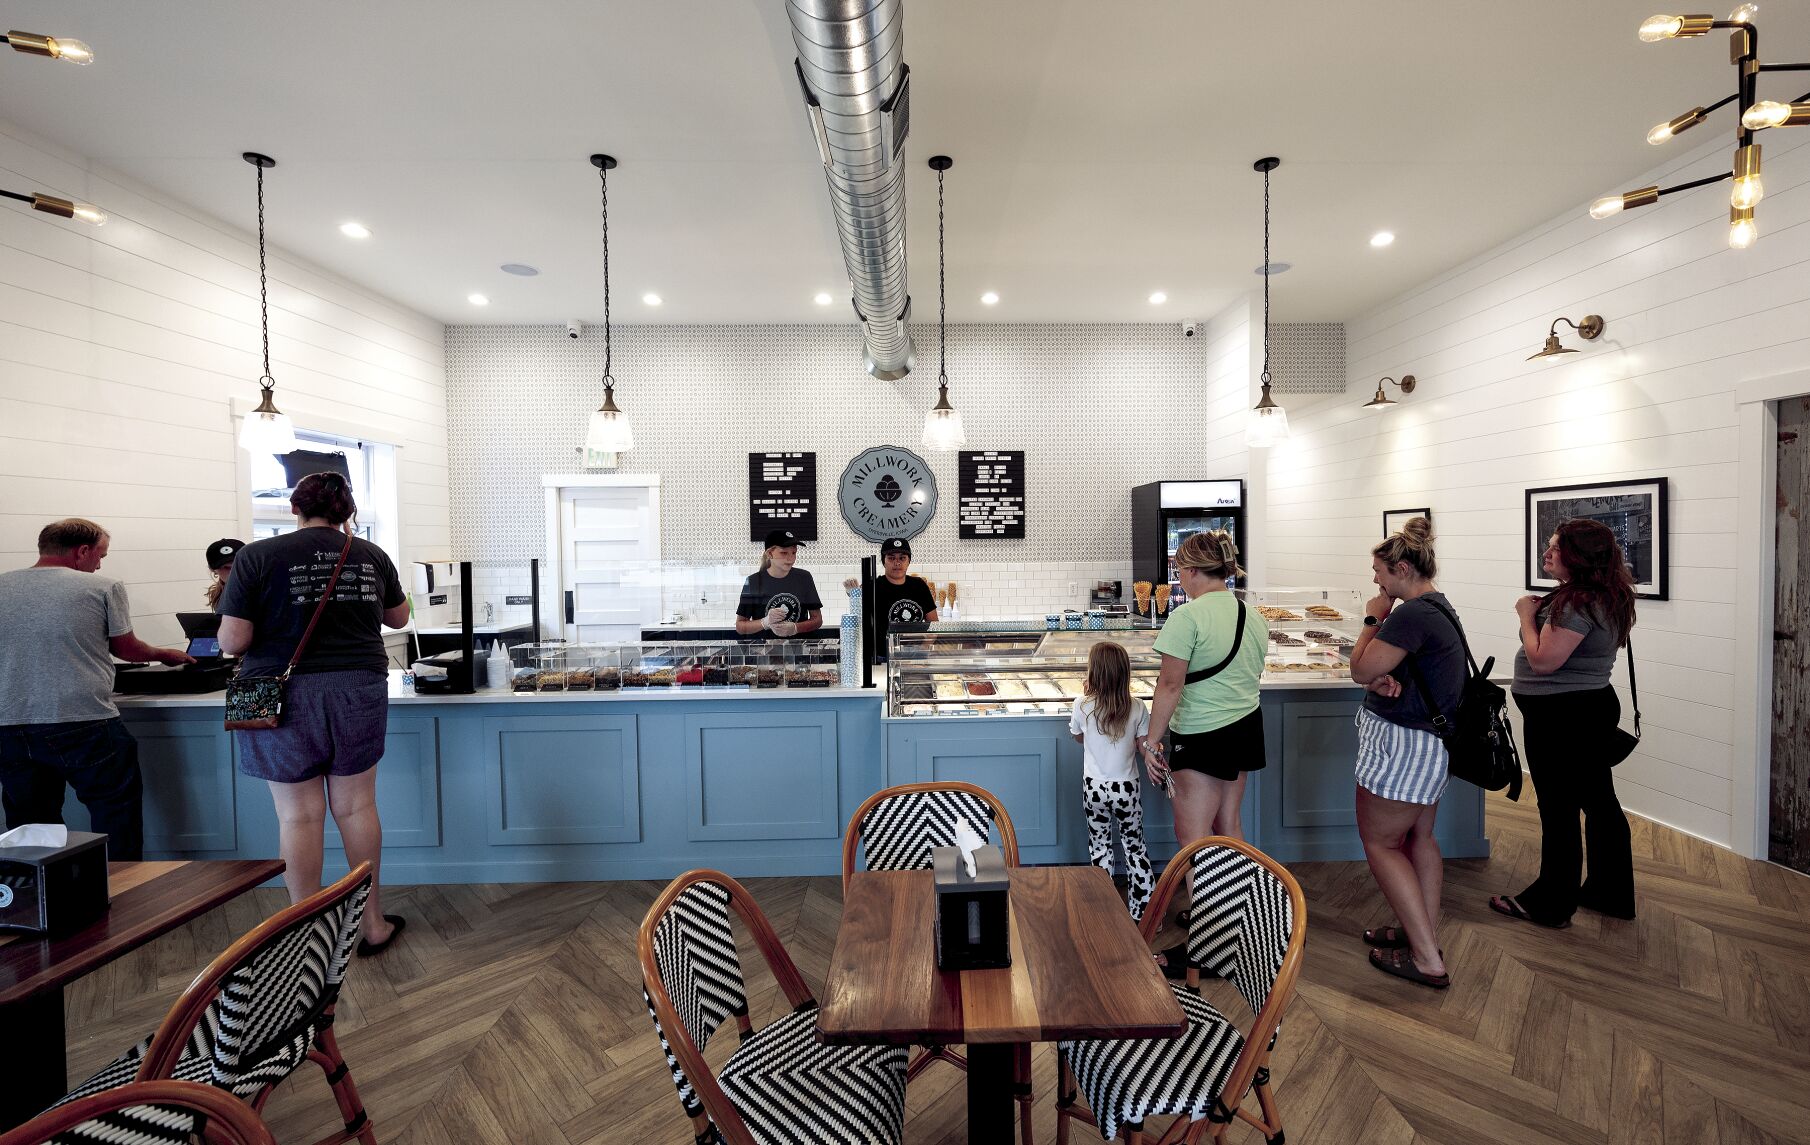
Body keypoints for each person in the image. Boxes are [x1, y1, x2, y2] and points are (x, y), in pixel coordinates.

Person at [218, 474, 412, 955]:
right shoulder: (369, 554)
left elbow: (233, 642)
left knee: (299, 817)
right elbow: (400, 618)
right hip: (358, 687)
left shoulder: (257, 557)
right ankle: (371, 926)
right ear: (348, 511)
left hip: (283, 695)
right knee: (357, 807)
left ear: (293, 509)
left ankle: (305, 935)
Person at [0, 519, 193, 861]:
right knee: (115, 814)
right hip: (83, 720)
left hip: (9, 725)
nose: (100, 564)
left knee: (30, 824)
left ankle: (41, 900)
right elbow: (127, 649)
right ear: (82, 551)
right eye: (100, 554)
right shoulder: (103, 587)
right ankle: (122, 894)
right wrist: (166, 653)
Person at [1491, 519, 1639, 928]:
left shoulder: (1575, 603)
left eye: (1556, 548)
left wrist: (1525, 614)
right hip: (1587, 709)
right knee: (1599, 802)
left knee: (1558, 807)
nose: (1547, 553)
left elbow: (1542, 660)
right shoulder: (1608, 595)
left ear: (1579, 555)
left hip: (1562, 717)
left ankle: (1551, 903)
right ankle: (1609, 893)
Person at [1346, 517, 1463, 989]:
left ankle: (1427, 959)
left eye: (1379, 572)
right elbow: (1389, 669)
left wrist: (1374, 617)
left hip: (1403, 746)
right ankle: (1423, 936)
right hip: (1429, 744)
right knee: (1420, 840)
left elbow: (1358, 668)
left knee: (1381, 844)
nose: (1375, 581)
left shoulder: (1409, 613)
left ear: (1400, 568)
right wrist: (1384, 674)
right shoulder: (1438, 605)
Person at [1141, 530, 1268, 845]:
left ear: (1192, 570)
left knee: (1193, 838)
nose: (1178, 577)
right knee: (1229, 827)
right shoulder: (1252, 615)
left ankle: (1206, 896)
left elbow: (1170, 685)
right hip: (1246, 728)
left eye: (1178, 570)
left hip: (1203, 732)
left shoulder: (1187, 616)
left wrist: (1151, 742)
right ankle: (1238, 895)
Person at [1071, 641, 1155, 920]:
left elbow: (1078, 736)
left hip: (1094, 787)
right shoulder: (1138, 707)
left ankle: (1102, 912)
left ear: (1093, 674)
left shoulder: (1082, 705)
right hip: (1126, 788)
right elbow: (1143, 745)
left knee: (1100, 847)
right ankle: (1144, 916)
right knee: (1134, 849)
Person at [734, 529, 824, 638]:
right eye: (784, 553)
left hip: (800, 650)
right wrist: (765, 622)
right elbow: (740, 627)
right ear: (770, 553)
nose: (790, 559)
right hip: (764, 651)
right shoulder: (754, 581)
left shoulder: (804, 578)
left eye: (794, 553)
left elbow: (817, 620)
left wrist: (795, 628)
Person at [866, 537, 938, 660]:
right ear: (884, 561)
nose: (897, 562)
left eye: (902, 558)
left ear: (909, 561)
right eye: (891, 558)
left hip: (917, 655)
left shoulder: (919, 585)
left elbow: (934, 624)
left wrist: (923, 648)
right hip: (883, 658)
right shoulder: (874, 586)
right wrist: (853, 592)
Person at [202, 538, 243, 612]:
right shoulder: (219, 594)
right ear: (213, 570)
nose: (233, 572)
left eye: (237, 566)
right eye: (226, 568)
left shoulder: (264, 591)